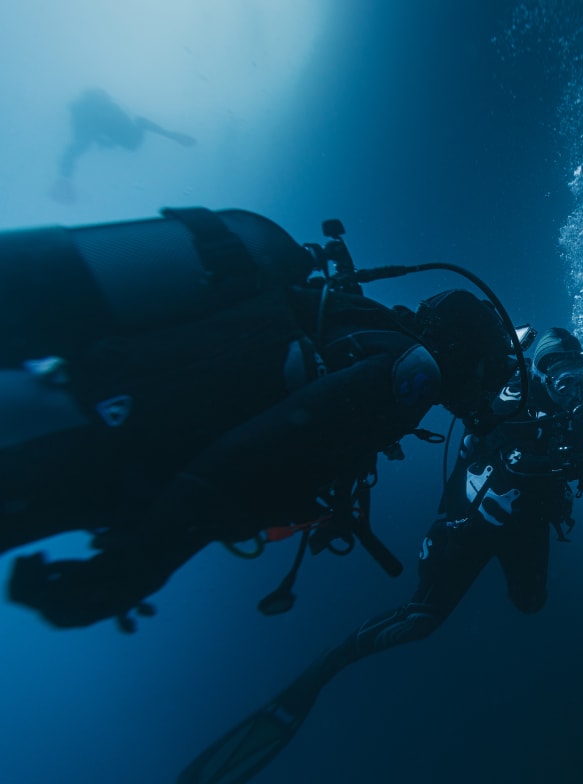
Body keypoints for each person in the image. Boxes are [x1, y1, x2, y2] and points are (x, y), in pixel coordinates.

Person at [0, 206, 522, 632]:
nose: (484, 392)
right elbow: (244, 458)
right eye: (490, 371)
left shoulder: (351, 324)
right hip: (96, 442)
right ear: (461, 348)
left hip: (94, 409)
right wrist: (133, 570)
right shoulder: (413, 373)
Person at [175, 327, 583, 784]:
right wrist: (579, 465)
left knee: (530, 601)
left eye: (582, 377)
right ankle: (328, 665)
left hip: (526, 526)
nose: (574, 387)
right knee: (421, 620)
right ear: (540, 368)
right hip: (469, 525)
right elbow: (515, 457)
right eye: (562, 374)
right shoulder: (511, 395)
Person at [50, 88, 197, 203]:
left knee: (76, 148)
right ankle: (168, 134)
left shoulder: (83, 112)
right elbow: (114, 125)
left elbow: (83, 139)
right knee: (139, 125)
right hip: (119, 134)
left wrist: (103, 141)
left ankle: (64, 178)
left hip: (108, 133)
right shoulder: (101, 107)